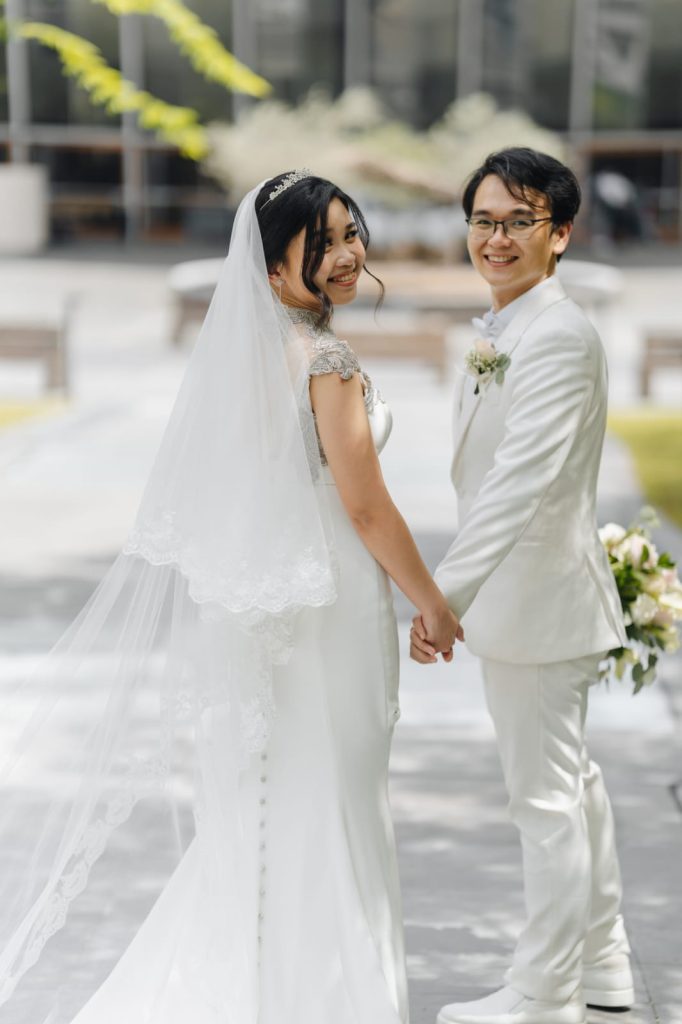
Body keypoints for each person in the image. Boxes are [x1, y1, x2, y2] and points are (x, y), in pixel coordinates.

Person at [0, 172, 460, 1024]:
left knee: (273, 801)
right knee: (335, 798)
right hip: (331, 606)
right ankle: (329, 996)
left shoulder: (251, 358)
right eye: (321, 242)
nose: (348, 253)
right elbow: (364, 504)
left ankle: (272, 988)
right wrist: (430, 600)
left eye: (349, 231)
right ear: (275, 265)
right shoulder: (326, 359)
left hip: (270, 606)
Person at [410, 148, 633, 1024]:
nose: (496, 238)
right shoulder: (505, 328)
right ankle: (607, 965)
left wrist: (442, 597)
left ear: (561, 233)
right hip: (535, 602)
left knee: (544, 803)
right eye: (484, 220)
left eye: (519, 221)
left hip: (539, 604)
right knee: (572, 787)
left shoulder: (559, 337)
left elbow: (520, 483)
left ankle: (544, 995)